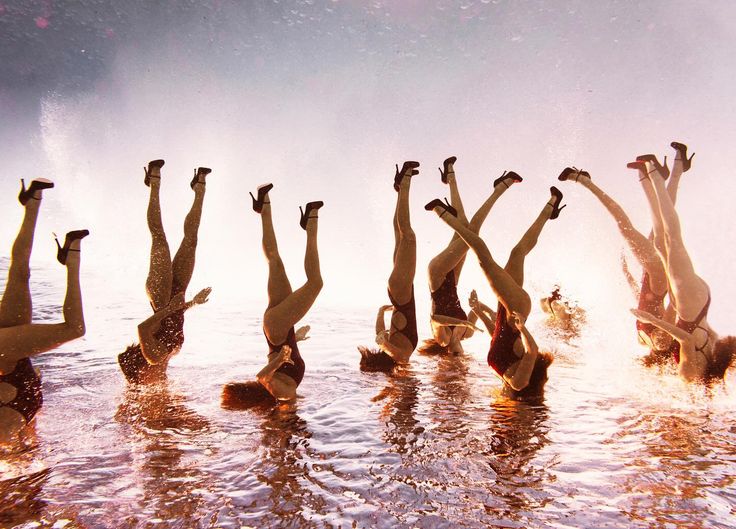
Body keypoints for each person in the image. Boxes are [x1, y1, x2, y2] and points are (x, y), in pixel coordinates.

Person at [425, 185, 564, 398]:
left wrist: (478, 310)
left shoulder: (503, 373)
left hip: (506, 307)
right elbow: (532, 351)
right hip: (516, 308)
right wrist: (522, 328)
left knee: (518, 253)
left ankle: (550, 208)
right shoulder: (518, 382)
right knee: (482, 256)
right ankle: (445, 216)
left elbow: (496, 335)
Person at [558, 161, 683, 362]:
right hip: (658, 279)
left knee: (661, 224)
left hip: (649, 282)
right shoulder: (661, 343)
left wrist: (627, 276)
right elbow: (673, 306)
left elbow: (641, 302)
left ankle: (655, 176)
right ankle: (584, 179)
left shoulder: (644, 342)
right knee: (626, 227)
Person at [630, 143, 735, 382]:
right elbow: (686, 339)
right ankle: (655, 174)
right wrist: (652, 321)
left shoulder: (709, 364)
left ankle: (671, 169)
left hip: (697, 304)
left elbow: (699, 335)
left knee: (660, 242)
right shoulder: (690, 376)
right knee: (671, 238)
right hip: (690, 305)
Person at [1, 179, 87, 442]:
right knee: (20, 274)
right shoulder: (15, 433)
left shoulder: (6, 434)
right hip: (11, 362)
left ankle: (72, 260)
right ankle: (32, 202)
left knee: (74, 329)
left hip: (5, 354)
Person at [222, 184, 323, 408]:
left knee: (315, 283)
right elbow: (281, 357)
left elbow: (262, 377)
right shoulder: (286, 391)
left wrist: (278, 360)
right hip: (278, 328)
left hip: (277, 327)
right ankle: (263, 204)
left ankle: (310, 224)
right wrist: (297, 338)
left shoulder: (281, 394)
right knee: (275, 262)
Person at [118, 160, 212, 384]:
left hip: (160, 297)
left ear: (140, 376)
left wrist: (169, 308)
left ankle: (153, 182)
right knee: (191, 241)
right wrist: (193, 303)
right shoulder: (171, 353)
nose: (164, 378)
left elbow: (143, 329)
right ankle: (199, 187)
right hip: (176, 298)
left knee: (160, 238)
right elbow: (175, 317)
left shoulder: (153, 357)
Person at [421, 156, 521, 355]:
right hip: (453, 280)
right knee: (465, 227)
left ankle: (500, 188)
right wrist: (484, 309)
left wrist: (462, 321)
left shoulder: (443, 340)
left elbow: (436, 319)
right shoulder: (467, 334)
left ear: (450, 353)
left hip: (438, 276)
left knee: (472, 232)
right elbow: (477, 310)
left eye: (457, 356)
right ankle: (450, 175)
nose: (461, 355)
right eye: (462, 356)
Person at [360, 161, 419, 372]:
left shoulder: (400, 356)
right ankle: (399, 187)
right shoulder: (391, 347)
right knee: (400, 237)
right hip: (396, 292)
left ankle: (405, 183)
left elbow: (383, 343)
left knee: (409, 237)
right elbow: (379, 335)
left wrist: (382, 343)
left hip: (401, 292)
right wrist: (380, 313)